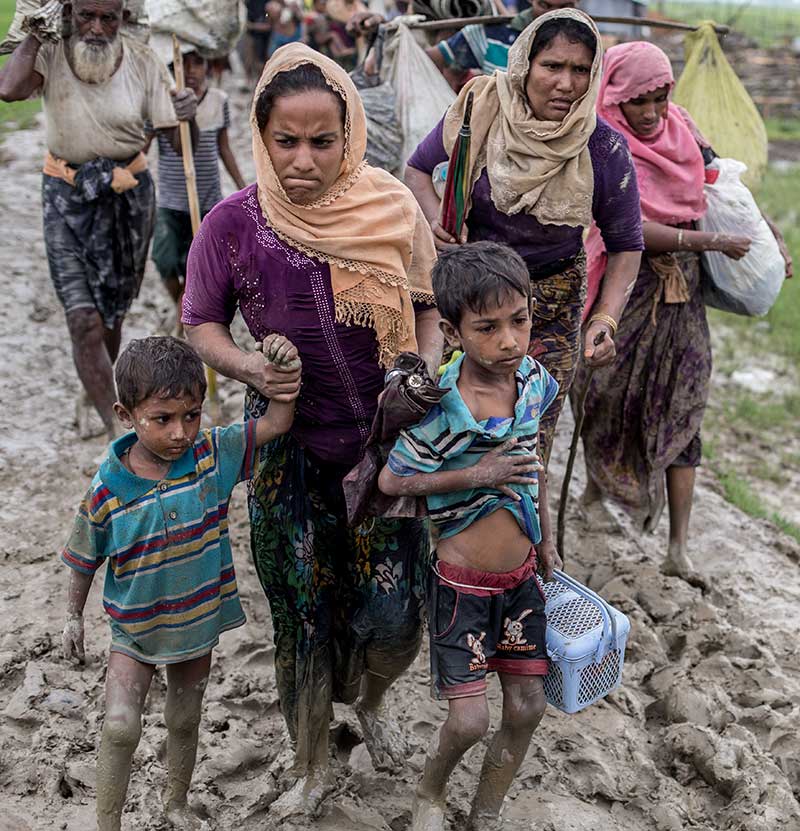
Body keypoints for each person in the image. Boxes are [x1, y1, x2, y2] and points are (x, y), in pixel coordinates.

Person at [181, 44, 443, 815]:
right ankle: (309, 763)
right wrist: (253, 370)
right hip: (285, 448)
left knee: (395, 619)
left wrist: (418, 370)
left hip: (384, 448)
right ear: (261, 135)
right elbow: (199, 323)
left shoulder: (391, 208)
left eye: (321, 141)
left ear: (349, 136)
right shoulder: (234, 225)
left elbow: (427, 307)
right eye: (285, 141)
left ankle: (371, 695)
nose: (302, 159)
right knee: (300, 613)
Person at [59, 334, 300, 831]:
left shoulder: (213, 455)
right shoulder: (108, 487)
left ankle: (176, 802)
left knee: (185, 719)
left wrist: (281, 374)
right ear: (126, 416)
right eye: (162, 419)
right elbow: (84, 557)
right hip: (133, 628)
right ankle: (108, 822)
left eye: (191, 414)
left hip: (195, 624)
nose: (180, 432)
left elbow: (276, 423)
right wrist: (71, 618)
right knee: (122, 727)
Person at [573, 42, 792, 587]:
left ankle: (678, 548)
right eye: (637, 102)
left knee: (685, 401)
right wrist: (711, 240)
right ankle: (595, 487)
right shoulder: (600, 140)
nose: (650, 113)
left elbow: (722, 178)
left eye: (660, 98)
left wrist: (769, 233)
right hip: (627, 284)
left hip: (681, 294)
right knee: (604, 393)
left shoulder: (683, 128)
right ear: (616, 98)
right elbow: (624, 226)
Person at [406, 9, 643, 468]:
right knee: (458, 425)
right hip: (471, 299)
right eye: (552, 66)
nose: (566, 83)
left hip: (548, 309)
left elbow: (626, 246)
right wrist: (439, 225)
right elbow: (417, 170)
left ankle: (532, 539)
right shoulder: (483, 108)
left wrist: (604, 321)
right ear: (524, 65)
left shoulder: (602, 147)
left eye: (580, 70)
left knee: (529, 438)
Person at [379, 242, 560, 831]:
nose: (509, 341)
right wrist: (476, 475)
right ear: (453, 332)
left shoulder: (533, 382)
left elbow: (535, 468)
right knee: (468, 721)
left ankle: (486, 810)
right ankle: (430, 791)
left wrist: (547, 541)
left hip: (521, 580)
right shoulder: (442, 406)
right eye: (488, 328)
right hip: (461, 587)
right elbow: (391, 478)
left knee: (528, 705)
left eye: (520, 321)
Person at [0, 0, 198, 441]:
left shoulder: (143, 60)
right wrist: (37, 31)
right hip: (65, 195)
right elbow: (9, 89)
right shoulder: (52, 51)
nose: (95, 27)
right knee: (82, 320)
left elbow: (180, 146)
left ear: (123, 18)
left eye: (107, 17)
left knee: (111, 315)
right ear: (70, 13)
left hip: (127, 197)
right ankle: (119, 434)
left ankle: (99, 392)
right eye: (86, 15)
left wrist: (187, 112)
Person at [149, 50, 246, 312]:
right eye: (183, 64)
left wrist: (241, 186)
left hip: (207, 198)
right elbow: (144, 144)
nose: (190, 71)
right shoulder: (161, 102)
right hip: (170, 199)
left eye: (198, 63)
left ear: (208, 66)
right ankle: (181, 305)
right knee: (165, 260)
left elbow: (224, 147)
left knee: (201, 263)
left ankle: (189, 313)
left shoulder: (218, 100)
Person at [425, 0, 580, 80]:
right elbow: (430, 59)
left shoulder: (586, 45)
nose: (554, 15)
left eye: (566, 6)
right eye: (544, 5)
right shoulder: (492, 35)